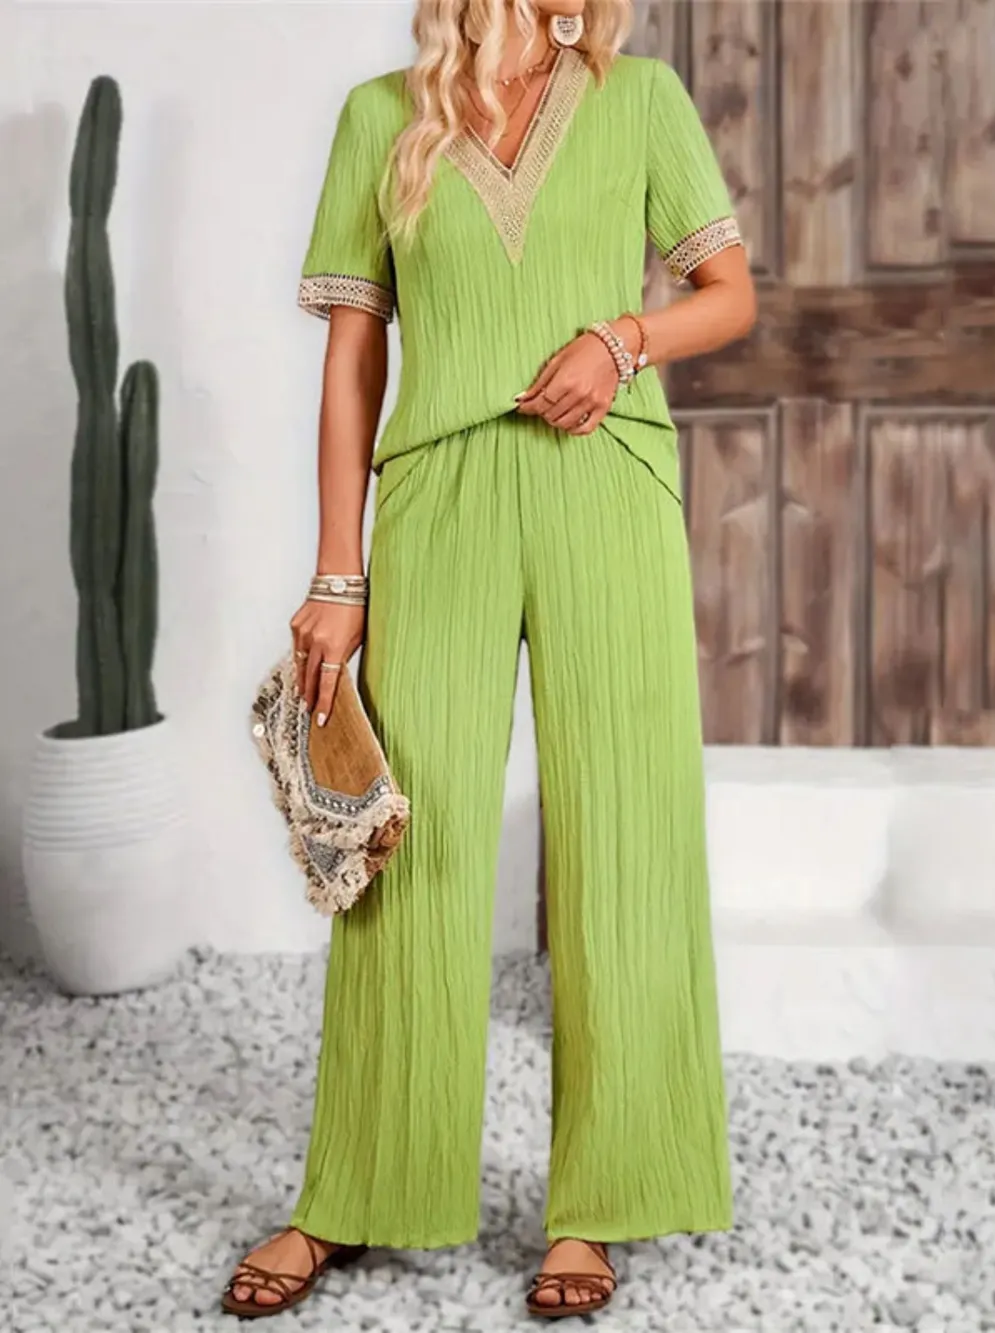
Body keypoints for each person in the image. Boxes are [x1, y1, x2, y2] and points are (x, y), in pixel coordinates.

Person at [222, 0, 756, 1320]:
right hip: (437, 503)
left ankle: (603, 1206)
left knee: (625, 841)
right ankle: (356, 1191)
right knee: (415, 850)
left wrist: (621, 340)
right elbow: (352, 365)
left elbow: (730, 298)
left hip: (608, 488)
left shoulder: (640, 101)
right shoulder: (380, 116)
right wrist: (336, 574)